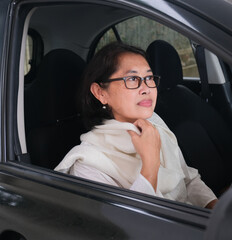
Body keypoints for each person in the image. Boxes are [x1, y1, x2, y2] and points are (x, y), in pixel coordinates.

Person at [55, 42, 217, 209]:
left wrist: (216, 208)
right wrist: (150, 163)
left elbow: (188, 180)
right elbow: (126, 225)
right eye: (132, 79)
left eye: (148, 77)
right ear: (100, 92)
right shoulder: (87, 164)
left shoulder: (155, 123)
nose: (146, 88)